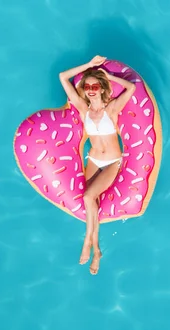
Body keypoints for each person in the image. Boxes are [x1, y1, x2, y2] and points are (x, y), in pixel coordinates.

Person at [59, 55, 136, 275]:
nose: (91, 89)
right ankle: (97, 251)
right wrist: (89, 66)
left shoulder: (111, 109)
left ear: (102, 89)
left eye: (95, 86)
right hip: (93, 159)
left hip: (112, 161)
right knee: (91, 203)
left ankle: (89, 244)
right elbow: (63, 77)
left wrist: (108, 75)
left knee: (87, 197)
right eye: (88, 86)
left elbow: (130, 88)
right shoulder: (83, 109)